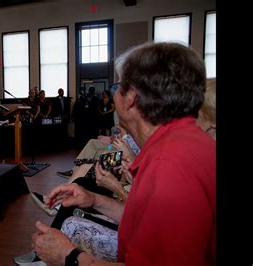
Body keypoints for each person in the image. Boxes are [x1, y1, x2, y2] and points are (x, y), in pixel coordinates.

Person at [29, 42, 216, 265]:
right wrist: (95, 200)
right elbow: (144, 222)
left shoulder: (170, 167)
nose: (115, 92)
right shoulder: (184, 143)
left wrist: (69, 256)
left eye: (118, 86)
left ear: (131, 97)